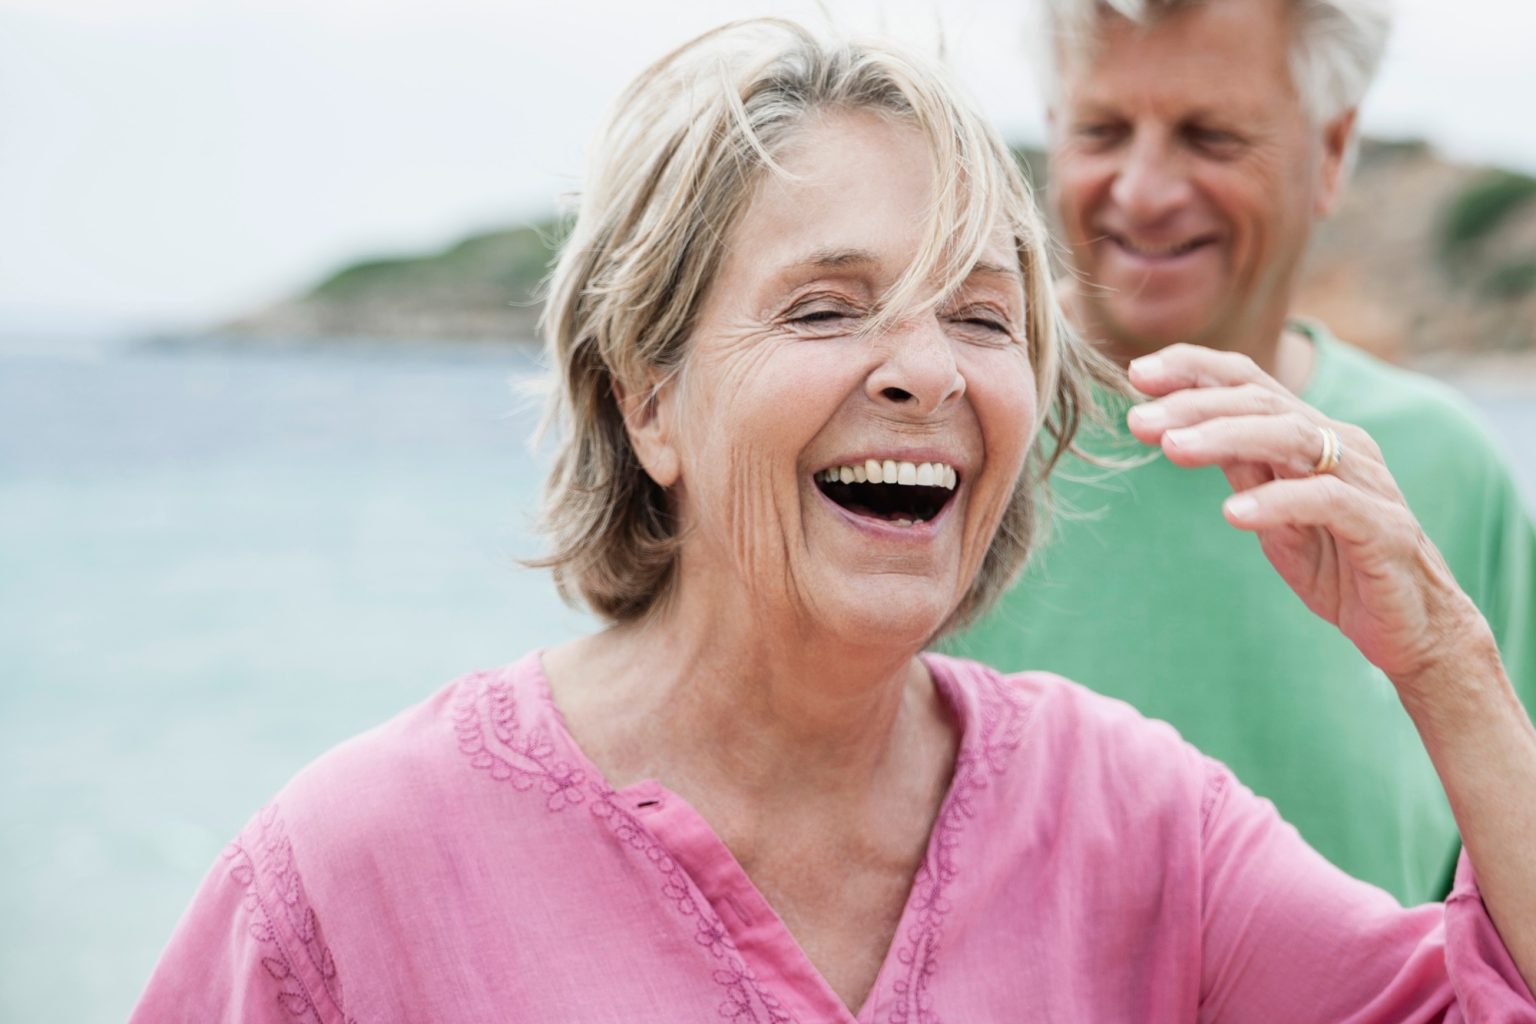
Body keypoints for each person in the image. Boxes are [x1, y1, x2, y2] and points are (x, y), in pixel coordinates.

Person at [132, 19, 1536, 1022]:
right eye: (826, 308)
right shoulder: (353, 874)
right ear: (646, 399)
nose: (928, 371)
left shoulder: (1139, 820)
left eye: (981, 316)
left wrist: (1446, 663)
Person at [952, 0, 1536, 906]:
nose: (1143, 192)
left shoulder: (1447, 472)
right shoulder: (939, 432)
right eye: (1102, 130)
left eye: (1211, 137)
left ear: (1331, 152)